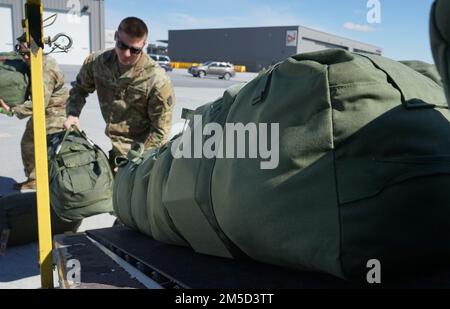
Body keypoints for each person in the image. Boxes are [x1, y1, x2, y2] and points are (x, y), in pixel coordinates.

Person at [63, 17, 175, 169]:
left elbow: (160, 131)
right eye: (122, 45)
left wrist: (136, 160)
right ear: (116, 37)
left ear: (144, 45)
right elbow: (80, 89)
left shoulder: (157, 80)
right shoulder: (97, 62)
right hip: (115, 146)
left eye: (135, 50)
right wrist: (73, 114)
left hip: (142, 154)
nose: (127, 54)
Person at [0, 35, 69, 191]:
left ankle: (61, 186)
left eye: (28, 53)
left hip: (55, 113)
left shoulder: (46, 68)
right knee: (28, 144)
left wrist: (12, 110)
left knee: (52, 152)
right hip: (43, 112)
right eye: (22, 53)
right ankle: (34, 180)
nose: (25, 57)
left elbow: (39, 102)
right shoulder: (34, 62)